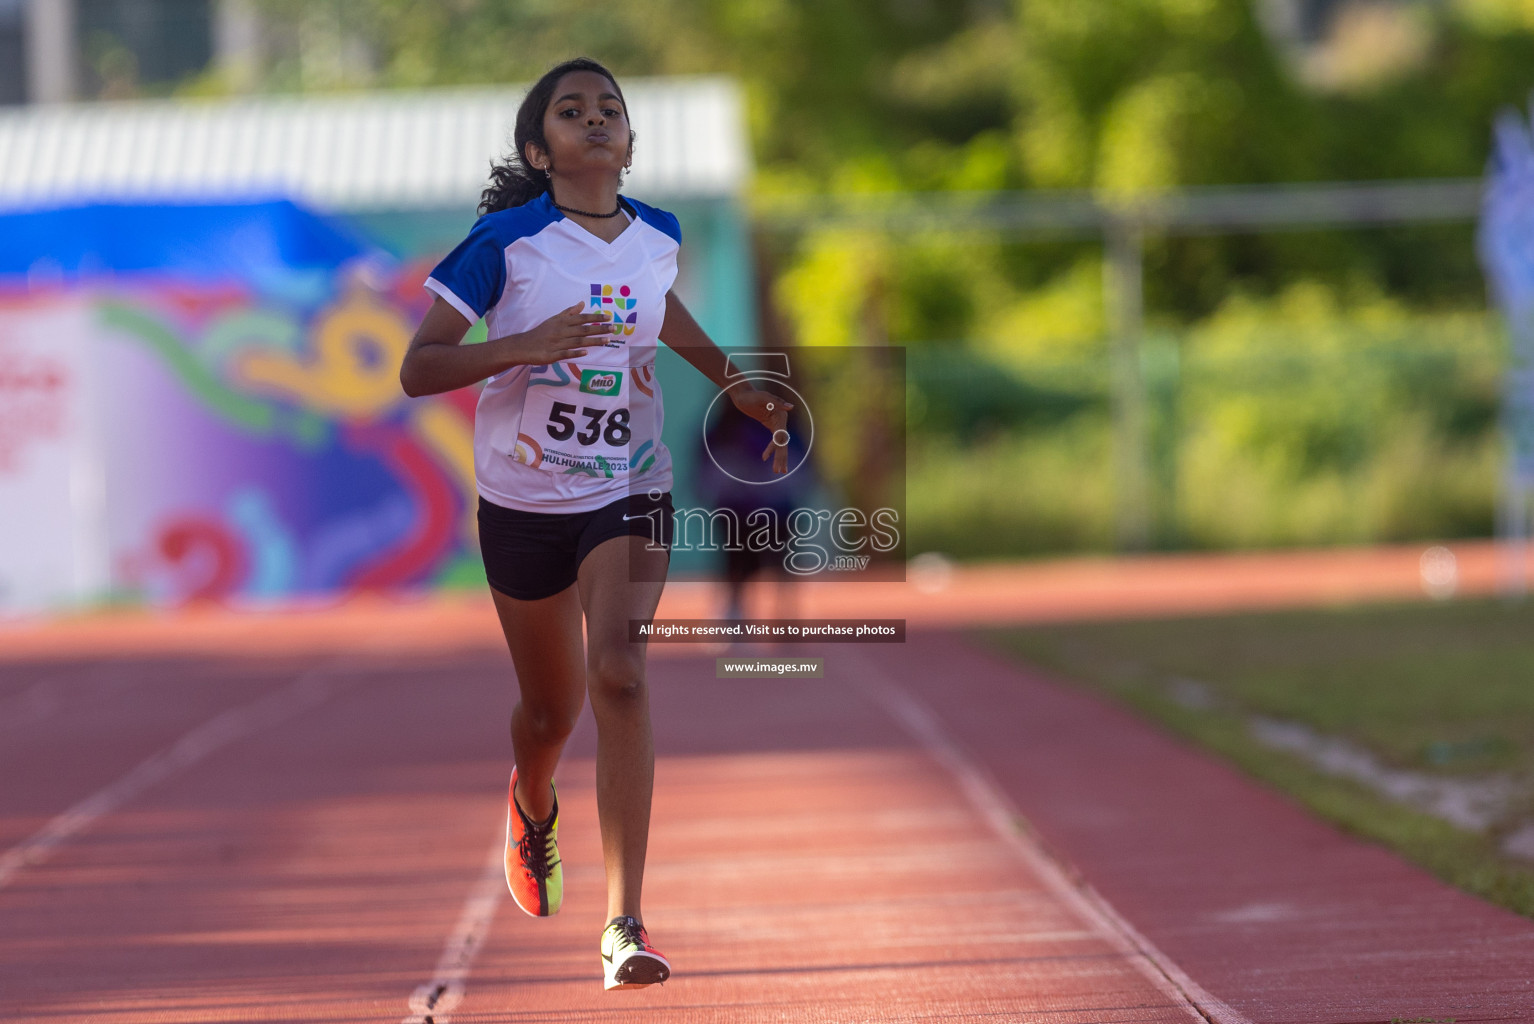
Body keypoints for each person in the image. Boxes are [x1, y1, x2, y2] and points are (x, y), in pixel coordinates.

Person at [398, 57, 791, 992]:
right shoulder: (506, 241)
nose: (597, 119)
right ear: (542, 149)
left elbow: (665, 315)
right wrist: (526, 346)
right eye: (572, 112)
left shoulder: (658, 234)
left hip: (630, 482)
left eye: (610, 107)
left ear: (627, 137)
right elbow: (419, 368)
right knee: (550, 712)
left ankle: (625, 924)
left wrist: (737, 382)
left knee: (619, 672)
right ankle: (533, 799)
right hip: (524, 499)